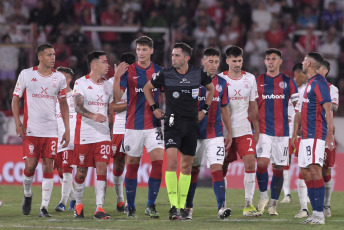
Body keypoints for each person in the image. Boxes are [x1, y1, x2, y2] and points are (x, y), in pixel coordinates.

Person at [143, 42, 215, 220]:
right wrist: (154, 108)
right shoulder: (165, 74)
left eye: (176, 55)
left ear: (186, 58)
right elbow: (147, 88)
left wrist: (204, 110)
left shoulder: (198, 73)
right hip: (172, 124)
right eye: (172, 55)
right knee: (172, 163)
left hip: (191, 124)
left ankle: (183, 207)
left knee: (186, 167)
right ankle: (174, 206)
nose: (173, 58)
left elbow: (211, 89)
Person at [12, 43, 70, 217]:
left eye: (54, 54)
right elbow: (15, 99)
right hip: (31, 130)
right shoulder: (26, 74)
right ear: (40, 57)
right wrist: (18, 122)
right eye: (49, 54)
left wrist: (66, 129)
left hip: (51, 130)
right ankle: (28, 194)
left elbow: (64, 104)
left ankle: (43, 207)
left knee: (48, 165)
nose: (53, 57)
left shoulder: (59, 78)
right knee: (30, 166)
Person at [113, 36, 164, 218]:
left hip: (154, 125)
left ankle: (151, 205)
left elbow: (168, 94)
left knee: (158, 163)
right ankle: (131, 206)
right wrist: (117, 77)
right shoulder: (129, 71)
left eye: (144, 49)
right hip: (133, 125)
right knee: (133, 165)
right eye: (138, 50)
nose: (141, 53)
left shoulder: (159, 71)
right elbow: (117, 97)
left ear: (151, 50)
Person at [185, 48, 232, 220]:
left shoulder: (223, 83)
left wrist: (229, 132)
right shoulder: (192, 80)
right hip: (194, 134)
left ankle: (222, 207)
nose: (213, 65)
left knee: (216, 169)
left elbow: (225, 108)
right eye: (210, 61)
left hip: (215, 134)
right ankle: (188, 208)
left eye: (216, 62)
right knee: (193, 170)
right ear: (203, 62)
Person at [292, 52, 334, 225]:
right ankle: (315, 211)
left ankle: (319, 214)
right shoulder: (309, 83)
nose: (302, 62)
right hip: (306, 135)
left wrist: (330, 134)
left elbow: (328, 107)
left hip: (316, 134)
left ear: (309, 63)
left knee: (315, 170)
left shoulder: (319, 82)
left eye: (303, 60)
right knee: (304, 171)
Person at [256, 48, 298, 215]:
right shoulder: (258, 80)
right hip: (264, 130)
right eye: (268, 59)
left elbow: (298, 106)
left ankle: (273, 204)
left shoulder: (289, 81)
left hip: (282, 132)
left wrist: (297, 129)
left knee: (279, 167)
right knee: (262, 163)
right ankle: (263, 196)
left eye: (274, 58)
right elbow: (252, 105)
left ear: (280, 62)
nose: (270, 61)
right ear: (265, 62)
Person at [219, 46, 260, 217]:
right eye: (234, 60)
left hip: (244, 129)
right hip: (223, 132)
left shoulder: (250, 79)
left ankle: (248, 205)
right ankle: (222, 203)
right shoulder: (220, 79)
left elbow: (253, 106)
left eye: (239, 60)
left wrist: (256, 130)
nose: (237, 64)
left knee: (250, 163)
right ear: (227, 61)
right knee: (222, 168)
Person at [73, 51, 113, 219]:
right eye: (104, 62)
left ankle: (99, 208)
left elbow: (111, 110)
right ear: (94, 65)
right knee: (81, 172)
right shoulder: (80, 83)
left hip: (103, 134)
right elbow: (77, 107)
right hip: (84, 134)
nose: (108, 65)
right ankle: (78, 204)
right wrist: (93, 116)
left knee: (102, 168)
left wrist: (110, 132)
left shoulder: (108, 85)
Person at [108, 52, 136, 212]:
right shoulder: (112, 83)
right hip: (119, 128)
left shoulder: (138, 82)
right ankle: (120, 199)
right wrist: (132, 104)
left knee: (132, 163)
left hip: (135, 127)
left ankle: (128, 202)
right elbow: (112, 107)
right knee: (118, 164)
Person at [318, 59, 339, 218]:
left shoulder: (332, 89)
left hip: (325, 133)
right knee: (310, 169)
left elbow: (333, 107)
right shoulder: (308, 87)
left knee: (326, 170)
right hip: (310, 133)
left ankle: (326, 205)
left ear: (324, 71)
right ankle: (309, 205)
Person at [54, 67, 76, 212]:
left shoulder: (76, 95)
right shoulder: (54, 97)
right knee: (61, 170)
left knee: (67, 167)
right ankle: (73, 198)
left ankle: (62, 202)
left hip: (71, 138)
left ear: (68, 80)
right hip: (56, 139)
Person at [290, 63, 310, 219]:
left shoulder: (323, 87)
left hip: (318, 135)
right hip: (302, 135)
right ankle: (304, 207)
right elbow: (298, 112)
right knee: (302, 168)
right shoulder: (301, 91)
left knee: (317, 169)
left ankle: (322, 205)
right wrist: (295, 131)